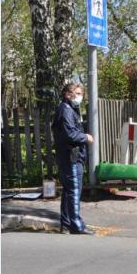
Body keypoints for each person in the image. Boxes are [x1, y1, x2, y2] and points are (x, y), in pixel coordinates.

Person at [52, 82, 95, 235]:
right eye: (77, 93)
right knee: (74, 191)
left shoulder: (70, 109)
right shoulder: (66, 111)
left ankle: (66, 224)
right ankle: (76, 226)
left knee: (68, 191)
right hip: (70, 157)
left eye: (80, 94)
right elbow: (69, 134)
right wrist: (86, 137)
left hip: (70, 156)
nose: (79, 97)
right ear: (68, 94)